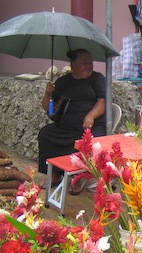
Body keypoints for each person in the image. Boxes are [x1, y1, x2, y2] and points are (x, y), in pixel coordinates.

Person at [38, 48, 107, 194]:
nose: (89, 66)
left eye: (90, 63)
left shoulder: (96, 79)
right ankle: (55, 174)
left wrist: (91, 116)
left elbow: (103, 102)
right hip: (66, 126)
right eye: (84, 63)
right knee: (45, 133)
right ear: (73, 64)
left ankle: (77, 177)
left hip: (90, 126)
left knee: (87, 142)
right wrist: (48, 93)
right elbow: (47, 107)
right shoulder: (64, 81)